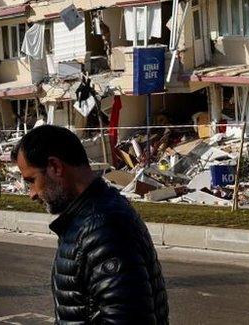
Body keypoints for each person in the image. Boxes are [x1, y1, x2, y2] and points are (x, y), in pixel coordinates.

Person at [13, 124, 168, 324]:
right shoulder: (94, 215)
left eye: (31, 180)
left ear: (55, 167)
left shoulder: (101, 228)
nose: (32, 193)